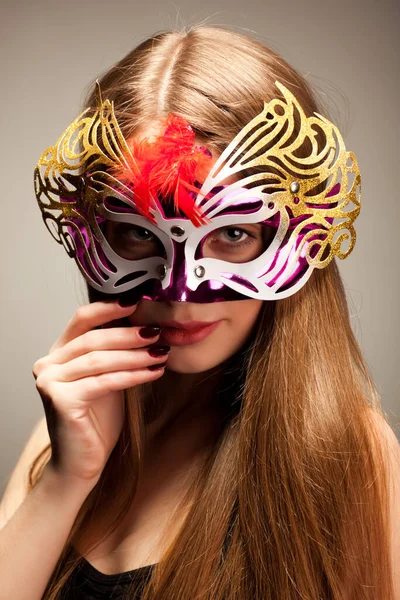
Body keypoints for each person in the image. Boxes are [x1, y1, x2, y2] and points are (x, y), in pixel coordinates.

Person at [0, 24, 399, 600]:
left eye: (233, 232)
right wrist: (66, 481)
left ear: (307, 227)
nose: (179, 290)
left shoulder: (347, 453)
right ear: (92, 231)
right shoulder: (67, 430)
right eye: (138, 235)